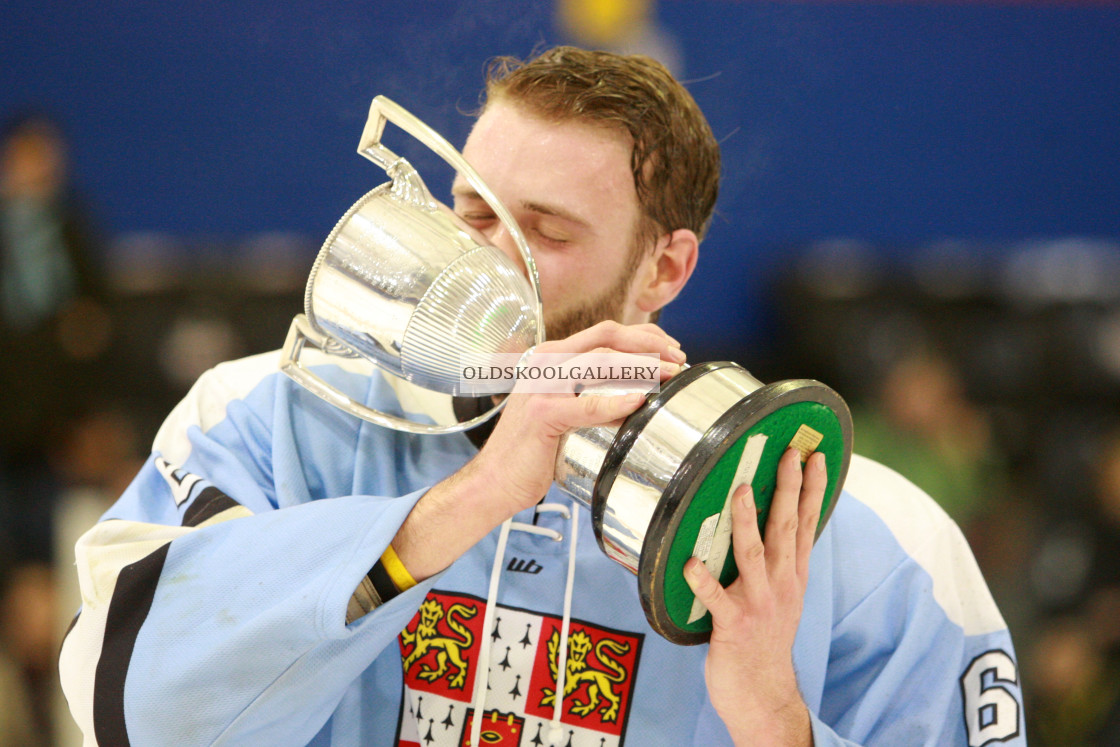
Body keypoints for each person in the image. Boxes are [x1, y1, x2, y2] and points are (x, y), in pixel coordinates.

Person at [58, 47, 1025, 746]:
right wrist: (462, 504)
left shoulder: (856, 530)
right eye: (473, 210)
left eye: (545, 232)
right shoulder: (274, 413)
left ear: (666, 268)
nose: (484, 258)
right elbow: (129, 708)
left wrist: (774, 717)